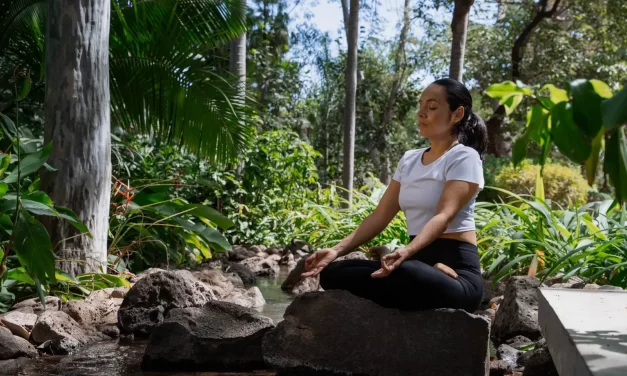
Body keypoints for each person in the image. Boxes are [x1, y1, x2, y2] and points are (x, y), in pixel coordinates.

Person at [302, 78, 487, 312]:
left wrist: (408, 251)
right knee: (332, 273)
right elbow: (380, 215)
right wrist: (336, 250)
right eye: (420, 106)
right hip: (417, 265)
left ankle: (410, 269)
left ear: (457, 113)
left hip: (457, 276)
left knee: (410, 271)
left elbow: (444, 216)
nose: (421, 113)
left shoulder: (464, 157)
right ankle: (403, 272)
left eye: (431, 107)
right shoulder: (409, 159)